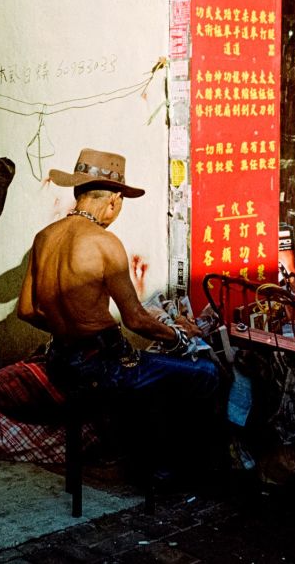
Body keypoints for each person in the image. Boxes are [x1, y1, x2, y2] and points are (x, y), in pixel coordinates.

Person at [18, 148, 220, 470]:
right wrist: (180, 338)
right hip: (102, 369)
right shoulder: (104, 243)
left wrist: (67, 328)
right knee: (206, 373)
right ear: (113, 201)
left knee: (153, 371)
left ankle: (142, 455)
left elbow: (26, 310)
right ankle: (170, 470)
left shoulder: (43, 238)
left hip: (60, 366)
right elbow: (135, 319)